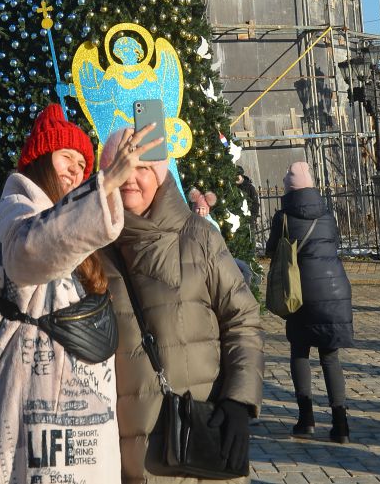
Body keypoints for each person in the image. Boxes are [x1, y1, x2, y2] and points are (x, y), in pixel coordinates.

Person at [0, 102, 163, 484]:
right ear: (41, 159)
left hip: (87, 440)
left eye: (82, 162)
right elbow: (28, 251)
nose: (76, 169)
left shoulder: (72, 221)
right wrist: (104, 183)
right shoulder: (12, 210)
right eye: (66, 157)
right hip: (33, 433)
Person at [100, 129, 264, 484]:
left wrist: (238, 399)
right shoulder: (96, 250)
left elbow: (243, 320)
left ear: (159, 176)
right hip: (129, 461)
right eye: (121, 166)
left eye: (143, 167)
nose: (131, 178)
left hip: (201, 443)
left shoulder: (199, 237)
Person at [265, 161, 354, 444]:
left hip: (301, 291)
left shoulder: (285, 218)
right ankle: (341, 425)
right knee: (330, 356)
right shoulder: (327, 214)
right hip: (335, 288)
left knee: (300, 352)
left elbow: (271, 250)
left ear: (289, 189)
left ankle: (306, 420)